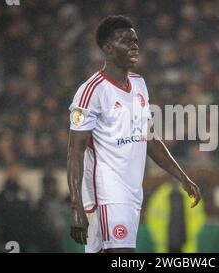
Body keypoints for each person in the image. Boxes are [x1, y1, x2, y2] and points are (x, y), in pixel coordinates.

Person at [67, 15, 201, 253]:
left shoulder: (139, 84)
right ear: (107, 48)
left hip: (131, 192)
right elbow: (74, 152)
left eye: (135, 40)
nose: (134, 46)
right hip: (107, 192)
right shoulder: (91, 92)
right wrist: (76, 206)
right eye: (125, 40)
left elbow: (149, 139)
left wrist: (182, 177)